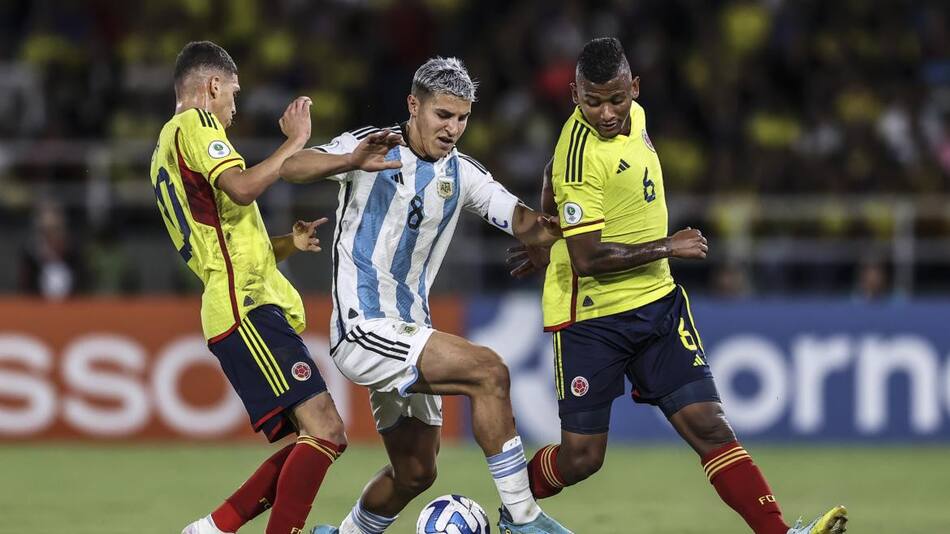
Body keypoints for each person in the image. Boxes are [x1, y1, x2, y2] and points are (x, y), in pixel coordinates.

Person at [508, 38, 848, 534]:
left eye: (617, 99)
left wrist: (547, 222)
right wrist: (668, 246)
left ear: (635, 89)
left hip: (658, 306)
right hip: (593, 318)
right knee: (582, 457)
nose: (606, 113)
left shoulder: (635, 118)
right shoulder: (578, 156)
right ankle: (512, 505)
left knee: (710, 426)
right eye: (593, 101)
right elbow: (587, 260)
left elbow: (547, 175)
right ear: (573, 96)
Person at [280, 57, 571, 534]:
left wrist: (559, 230)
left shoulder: (463, 174)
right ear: (414, 106)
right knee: (489, 371)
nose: (453, 128)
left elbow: (523, 222)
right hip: (363, 326)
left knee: (416, 472)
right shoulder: (370, 146)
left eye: (462, 118)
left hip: (411, 329)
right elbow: (292, 167)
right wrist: (350, 160)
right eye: (443, 115)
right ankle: (523, 519)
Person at [151, 40, 347, 534]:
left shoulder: (163, 153)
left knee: (314, 436)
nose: (235, 108)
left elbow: (223, 236)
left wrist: (284, 243)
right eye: (233, 94)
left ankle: (215, 528)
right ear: (212, 86)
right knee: (325, 428)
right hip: (244, 307)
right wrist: (294, 142)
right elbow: (240, 188)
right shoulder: (195, 125)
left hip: (243, 302)